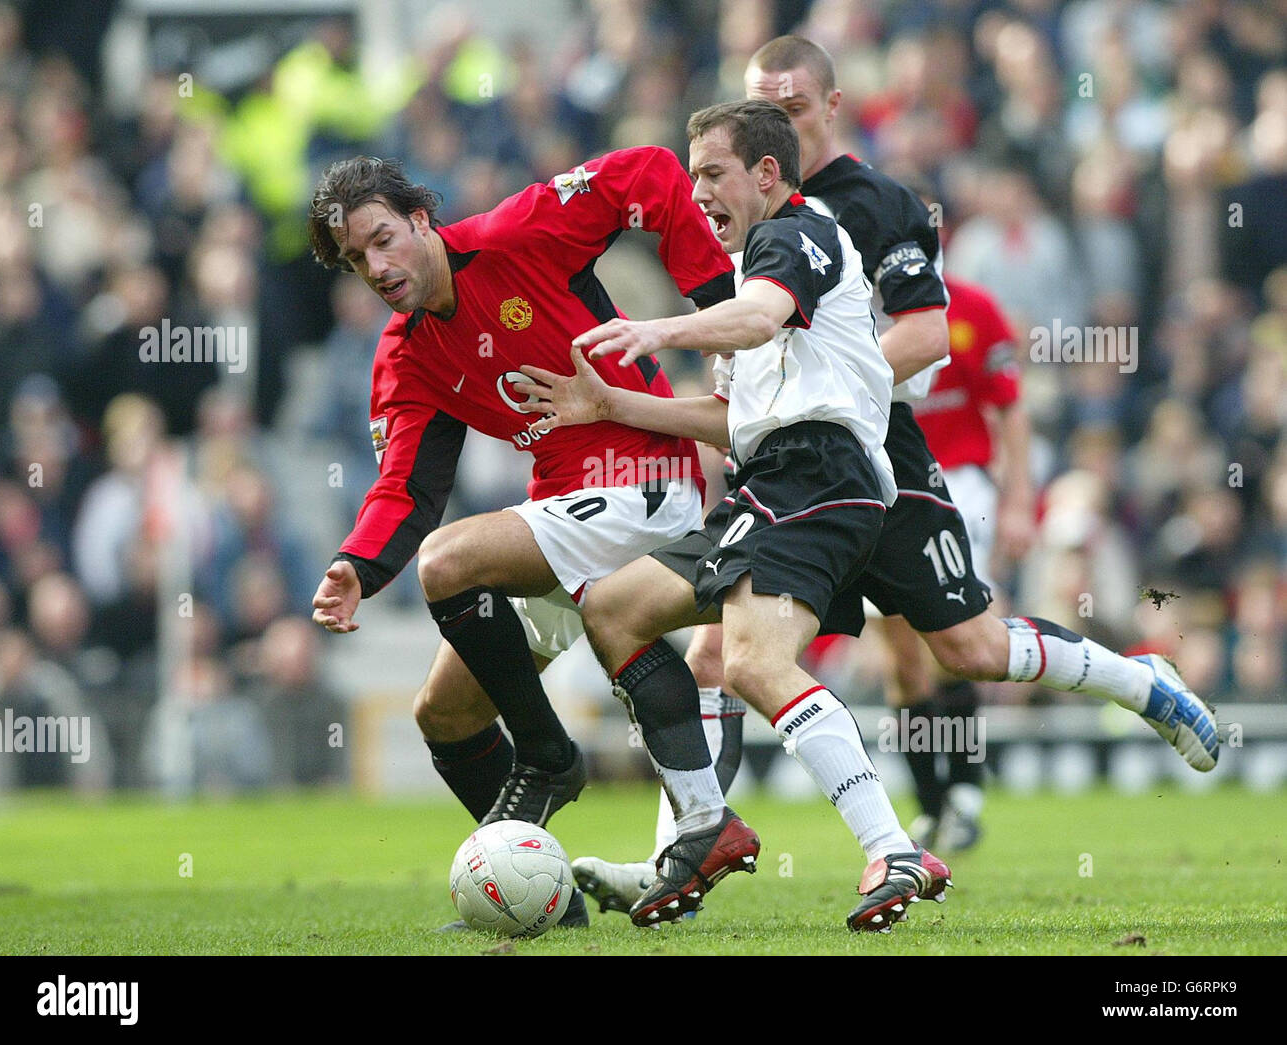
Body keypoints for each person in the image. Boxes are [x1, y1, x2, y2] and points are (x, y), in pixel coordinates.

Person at [541, 36, 1219, 919]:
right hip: (801, 463)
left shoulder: (852, 212)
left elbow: (926, 334)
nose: (705, 187)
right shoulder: (747, 249)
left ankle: (1129, 690)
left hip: (867, 456)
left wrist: (810, 356)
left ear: (822, 112)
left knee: (955, 650)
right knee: (713, 650)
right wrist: (629, 404)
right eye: (758, 104)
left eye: (785, 109)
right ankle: (691, 841)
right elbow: (746, 382)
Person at [521, 97, 955, 932]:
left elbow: (757, 319)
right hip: (777, 478)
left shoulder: (796, 233)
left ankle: (892, 844)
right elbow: (733, 421)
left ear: (765, 173)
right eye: (690, 177)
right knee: (613, 609)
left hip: (820, 474)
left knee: (755, 663)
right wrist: (609, 405)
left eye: (712, 173)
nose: (697, 192)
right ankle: (701, 826)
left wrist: (657, 328)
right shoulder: (759, 274)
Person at [305, 146, 735, 928]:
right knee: (444, 712)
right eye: (354, 257)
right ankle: (547, 902)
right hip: (566, 519)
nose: (374, 265)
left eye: (382, 239)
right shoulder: (405, 356)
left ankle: (548, 756)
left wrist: (716, 307)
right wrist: (355, 564)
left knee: (450, 562)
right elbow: (408, 486)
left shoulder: (520, 233)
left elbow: (646, 171)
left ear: (420, 220)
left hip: (642, 484)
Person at [896, 272, 1034, 850]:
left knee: (956, 642)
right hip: (890, 487)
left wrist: (1019, 500)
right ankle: (932, 805)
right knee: (902, 660)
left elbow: (1010, 406)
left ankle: (967, 793)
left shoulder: (973, 308)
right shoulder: (847, 301)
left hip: (962, 487)